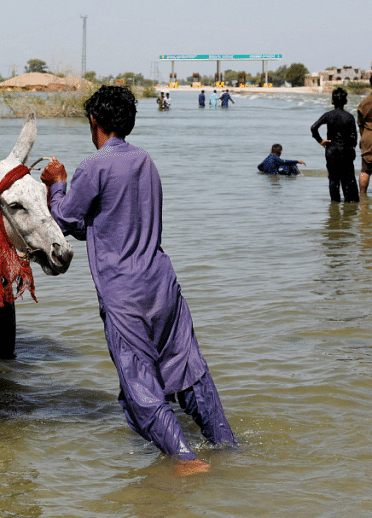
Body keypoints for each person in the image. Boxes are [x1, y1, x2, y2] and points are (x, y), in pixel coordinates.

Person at [40, 86, 237, 476]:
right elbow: (103, 222)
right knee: (189, 370)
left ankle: (186, 459)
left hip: (123, 292)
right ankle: (227, 446)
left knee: (138, 384)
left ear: (94, 122)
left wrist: (56, 183)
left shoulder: (93, 166)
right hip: (163, 284)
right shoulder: (145, 161)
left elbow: (62, 220)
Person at [311, 87, 359, 203]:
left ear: (332, 101)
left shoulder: (328, 115)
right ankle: (349, 204)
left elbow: (313, 128)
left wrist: (320, 140)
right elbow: (354, 139)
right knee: (348, 180)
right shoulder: (349, 117)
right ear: (346, 102)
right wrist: (351, 149)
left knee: (333, 179)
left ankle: (334, 204)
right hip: (345, 150)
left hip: (331, 150)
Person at [356, 77, 372, 195]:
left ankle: (363, 197)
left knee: (365, 170)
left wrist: (363, 138)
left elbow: (360, 125)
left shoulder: (364, 102)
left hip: (368, 137)